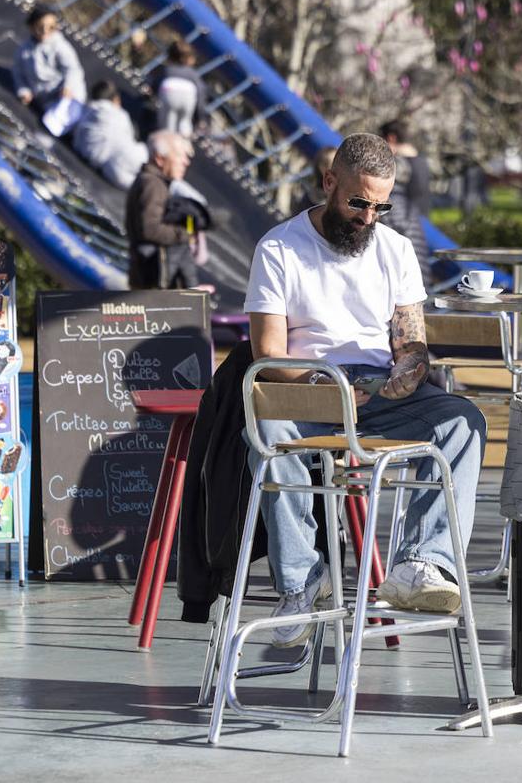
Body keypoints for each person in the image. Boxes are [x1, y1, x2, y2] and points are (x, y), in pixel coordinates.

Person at [244, 132, 486, 646]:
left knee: (464, 421)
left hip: (377, 390)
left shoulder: (395, 249)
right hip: (307, 384)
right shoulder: (280, 247)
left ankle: (421, 562)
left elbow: (411, 339)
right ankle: (303, 581)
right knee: (267, 428)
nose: (368, 217)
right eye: (358, 202)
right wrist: (319, 384)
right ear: (329, 182)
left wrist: (411, 370)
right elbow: (266, 355)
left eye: (381, 206)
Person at [125, 131, 199, 289]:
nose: (186, 162)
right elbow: (150, 229)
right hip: (152, 279)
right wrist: (185, 234)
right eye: (180, 156)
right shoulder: (153, 185)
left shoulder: (153, 182)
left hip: (147, 278)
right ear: (159, 158)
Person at [379, 119, 433, 285]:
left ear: (391, 138)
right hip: (418, 229)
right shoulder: (421, 162)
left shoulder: (397, 165)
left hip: (400, 231)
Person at [71, 80, 149, 190]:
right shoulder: (120, 115)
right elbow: (128, 141)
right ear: (116, 100)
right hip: (119, 159)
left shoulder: (84, 112)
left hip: (107, 167)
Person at [11, 7, 86, 113]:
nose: (45, 31)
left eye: (51, 27)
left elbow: (73, 69)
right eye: (40, 27)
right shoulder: (24, 50)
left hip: (67, 98)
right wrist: (24, 90)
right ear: (31, 27)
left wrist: (68, 87)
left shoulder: (60, 46)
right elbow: (18, 73)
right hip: (45, 102)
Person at [154, 40, 208, 138]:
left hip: (168, 89)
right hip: (188, 93)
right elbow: (200, 92)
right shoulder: (192, 74)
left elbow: (155, 84)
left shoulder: (167, 69)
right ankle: (183, 144)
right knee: (184, 124)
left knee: (166, 127)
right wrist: (201, 117)